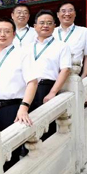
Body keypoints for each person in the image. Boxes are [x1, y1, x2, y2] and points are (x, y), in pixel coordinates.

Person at [0, 18, 38, 170]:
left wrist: (24, 107)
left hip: (12, 107)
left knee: (10, 150)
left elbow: (32, 82)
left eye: (7, 31)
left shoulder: (23, 54)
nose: (2, 35)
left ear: (14, 34)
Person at [26, 10, 71, 138]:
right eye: (42, 23)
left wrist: (52, 92)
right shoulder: (27, 47)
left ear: (54, 26)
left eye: (49, 23)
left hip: (45, 88)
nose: (45, 25)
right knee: (27, 123)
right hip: (27, 88)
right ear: (35, 26)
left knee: (46, 125)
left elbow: (65, 70)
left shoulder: (61, 46)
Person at [55, 2, 87, 78]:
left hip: (74, 75)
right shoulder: (51, 32)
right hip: (53, 75)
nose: (67, 14)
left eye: (70, 10)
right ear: (58, 14)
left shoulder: (84, 31)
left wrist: (83, 76)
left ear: (75, 14)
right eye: (63, 11)